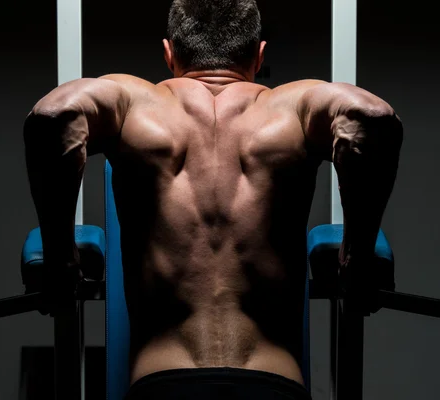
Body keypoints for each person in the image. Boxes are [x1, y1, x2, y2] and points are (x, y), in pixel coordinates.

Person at [23, 0, 403, 398]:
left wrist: (59, 260)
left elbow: (54, 115)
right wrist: (357, 262)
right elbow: (371, 117)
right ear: (259, 55)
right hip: (273, 384)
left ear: (169, 54)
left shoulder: (137, 105)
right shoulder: (290, 108)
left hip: (163, 384)